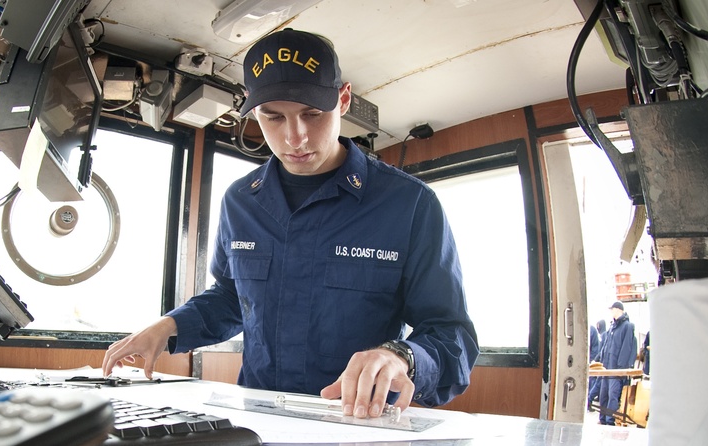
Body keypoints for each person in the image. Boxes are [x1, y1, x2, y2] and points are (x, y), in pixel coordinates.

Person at [102, 29, 478, 417]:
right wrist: (168, 326)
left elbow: (453, 336)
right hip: (258, 417)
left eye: (312, 114)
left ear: (343, 99)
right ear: (252, 109)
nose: (295, 137)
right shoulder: (240, 201)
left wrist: (401, 356)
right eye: (273, 116)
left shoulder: (411, 204)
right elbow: (233, 297)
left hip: (358, 423)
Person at [599, 301, 638, 425]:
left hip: (615, 368)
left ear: (618, 310)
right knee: (603, 394)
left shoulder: (627, 326)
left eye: (613, 309)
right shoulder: (612, 327)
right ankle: (603, 418)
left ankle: (610, 420)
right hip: (606, 367)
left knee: (613, 395)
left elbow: (626, 347)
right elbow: (606, 346)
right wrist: (600, 360)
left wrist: (621, 368)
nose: (611, 312)